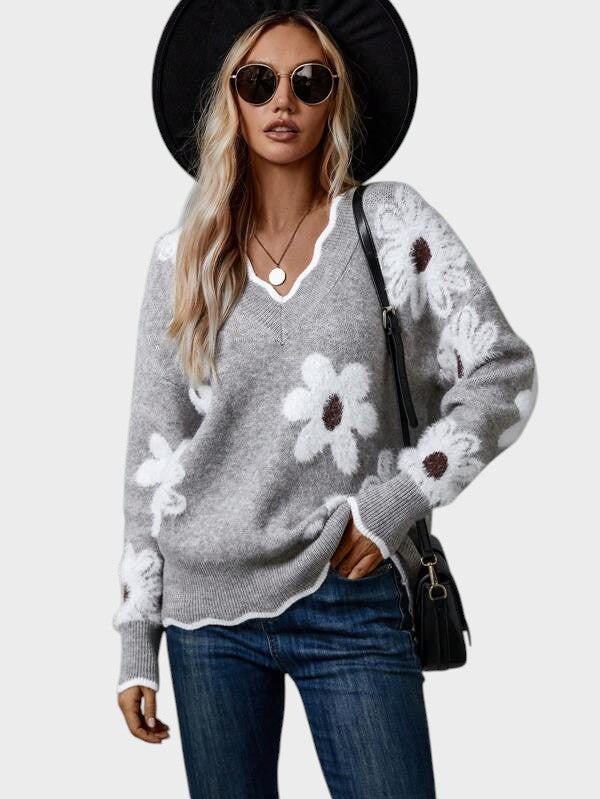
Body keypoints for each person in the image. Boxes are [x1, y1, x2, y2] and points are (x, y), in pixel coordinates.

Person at [113, 5, 538, 797]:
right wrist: (138, 633)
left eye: (310, 81)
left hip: (352, 592)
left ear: (337, 97)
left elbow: (503, 373)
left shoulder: (392, 225)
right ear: (231, 99)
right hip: (206, 614)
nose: (284, 100)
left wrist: (395, 503)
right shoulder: (184, 256)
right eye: (258, 81)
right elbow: (153, 451)